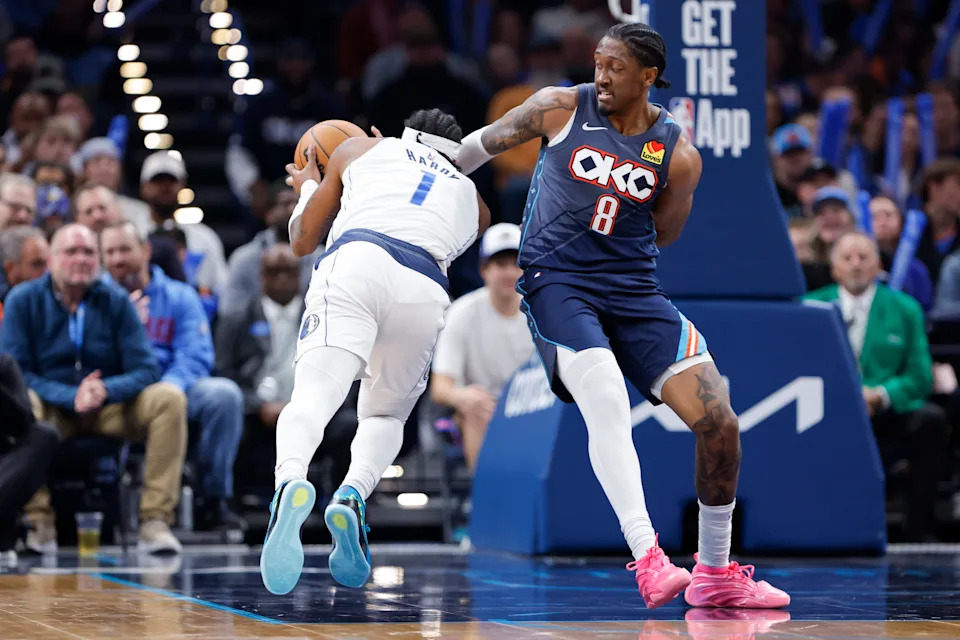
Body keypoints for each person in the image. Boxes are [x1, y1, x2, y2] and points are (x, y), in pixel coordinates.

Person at [452, 22, 789, 609]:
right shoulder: (558, 108)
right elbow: (476, 148)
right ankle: (648, 556)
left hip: (633, 291)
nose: (601, 76)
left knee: (721, 423)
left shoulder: (678, 156)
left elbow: (665, 231)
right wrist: (423, 167)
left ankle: (714, 573)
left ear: (648, 77)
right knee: (605, 391)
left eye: (614, 67)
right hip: (557, 282)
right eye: (598, 63)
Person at [260, 108, 489, 595]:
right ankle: (354, 493)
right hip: (424, 285)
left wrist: (308, 183)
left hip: (359, 259)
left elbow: (301, 240)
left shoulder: (358, 147)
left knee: (314, 396)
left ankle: (290, 482)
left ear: (399, 133)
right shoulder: (476, 201)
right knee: (384, 416)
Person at [0, 224, 187, 554]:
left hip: (109, 408)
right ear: (52, 259)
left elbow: (146, 368)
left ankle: (155, 521)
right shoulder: (23, 300)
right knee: (25, 402)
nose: (81, 259)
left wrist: (104, 389)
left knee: (169, 398)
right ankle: (38, 521)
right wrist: (70, 395)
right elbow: (16, 374)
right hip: (52, 409)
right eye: (71, 252)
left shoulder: (115, 299)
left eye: (88, 252)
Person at [100, 222, 245, 531]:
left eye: (124, 249)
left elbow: (195, 355)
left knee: (224, 395)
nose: (117, 259)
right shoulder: (98, 298)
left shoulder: (179, 296)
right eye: (109, 252)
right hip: (121, 389)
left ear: (145, 250)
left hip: (172, 385)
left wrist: (169, 389)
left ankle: (214, 497)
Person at [806, 232, 949, 541]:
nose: (856, 265)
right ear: (834, 269)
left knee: (931, 421)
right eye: (847, 258)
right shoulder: (810, 307)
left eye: (863, 258)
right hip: (823, 411)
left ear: (877, 266)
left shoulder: (905, 308)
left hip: (885, 414)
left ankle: (919, 528)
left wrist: (880, 396)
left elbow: (919, 376)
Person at [430, 222, 534, 470]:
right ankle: (487, 499)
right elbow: (441, 387)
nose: (509, 272)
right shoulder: (462, 313)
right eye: (500, 264)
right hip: (483, 408)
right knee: (477, 409)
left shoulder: (540, 312)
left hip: (530, 408)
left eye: (515, 264)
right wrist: (464, 397)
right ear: (484, 270)